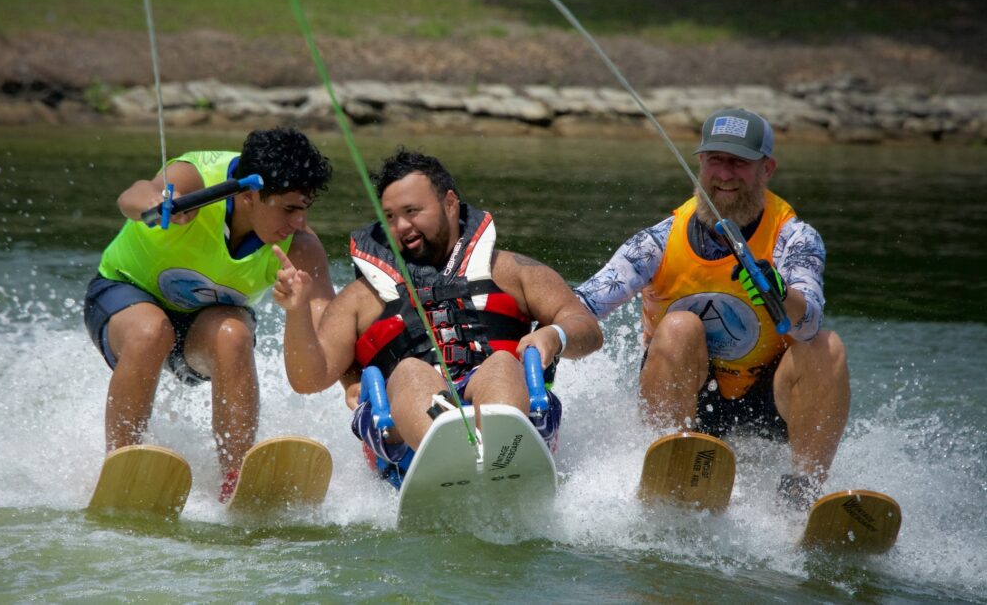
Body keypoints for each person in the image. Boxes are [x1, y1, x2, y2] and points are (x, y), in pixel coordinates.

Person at [273, 148, 603, 487]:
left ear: (449, 203)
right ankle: (449, 456)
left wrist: (555, 336)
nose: (401, 226)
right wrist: (296, 312)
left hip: (507, 413)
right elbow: (307, 378)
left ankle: (501, 455)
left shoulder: (511, 271)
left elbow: (588, 329)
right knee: (411, 373)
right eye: (389, 216)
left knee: (503, 364)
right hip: (406, 444)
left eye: (412, 211)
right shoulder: (360, 297)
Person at [574, 108, 850, 510]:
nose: (725, 174)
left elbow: (807, 323)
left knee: (826, 346)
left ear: (766, 169)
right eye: (715, 160)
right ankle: (668, 465)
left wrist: (778, 290)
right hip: (688, 387)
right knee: (679, 327)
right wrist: (539, 333)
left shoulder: (795, 238)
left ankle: (799, 495)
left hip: (766, 398)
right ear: (700, 164)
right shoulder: (656, 242)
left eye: (739, 162)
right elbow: (583, 305)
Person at [83, 127, 335, 502]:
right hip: (122, 297)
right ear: (249, 195)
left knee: (234, 335)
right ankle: (123, 463)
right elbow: (131, 195)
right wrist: (158, 200)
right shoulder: (197, 176)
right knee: (152, 330)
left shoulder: (300, 248)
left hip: (201, 330)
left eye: (304, 209)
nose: (298, 222)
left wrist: (352, 377)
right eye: (289, 208)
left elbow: (330, 335)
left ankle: (235, 477)